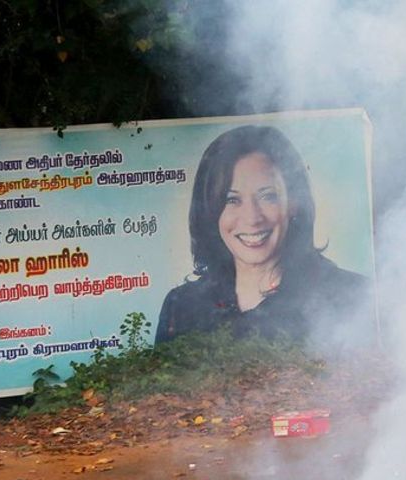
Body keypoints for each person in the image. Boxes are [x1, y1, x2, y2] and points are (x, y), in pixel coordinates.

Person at [155, 125, 371, 344]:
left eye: (268, 196)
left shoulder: (352, 296)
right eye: (232, 200)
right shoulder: (181, 307)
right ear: (211, 212)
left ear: (294, 203)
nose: (252, 218)